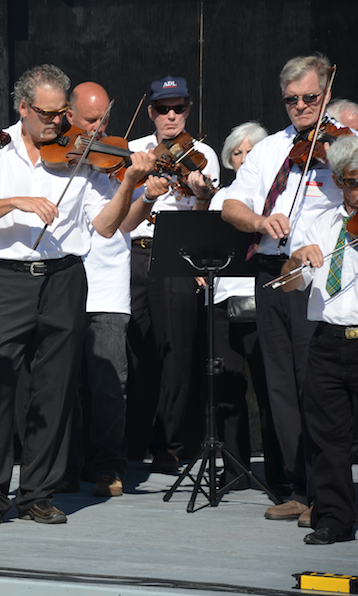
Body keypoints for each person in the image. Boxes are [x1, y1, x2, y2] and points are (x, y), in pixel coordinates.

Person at [0, 65, 154, 528]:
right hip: (9, 278)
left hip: (66, 277)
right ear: (23, 108)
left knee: (55, 389)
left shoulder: (82, 155)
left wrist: (129, 182)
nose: (57, 123)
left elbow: (106, 226)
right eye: (47, 114)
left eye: (61, 113)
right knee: (0, 386)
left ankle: (38, 493)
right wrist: (17, 202)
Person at [222, 54, 347, 524]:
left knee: (314, 386)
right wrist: (258, 220)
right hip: (272, 271)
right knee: (279, 386)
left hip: (320, 279)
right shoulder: (271, 149)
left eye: (309, 98)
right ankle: (295, 486)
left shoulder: (345, 146)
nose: (301, 106)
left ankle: (326, 493)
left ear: (326, 93)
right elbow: (231, 205)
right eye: (292, 100)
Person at [121, 76, 219, 474]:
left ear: (189, 110)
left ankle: (171, 445)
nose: (172, 115)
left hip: (177, 255)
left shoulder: (204, 155)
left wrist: (202, 195)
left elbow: (204, 220)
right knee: (134, 349)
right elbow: (120, 213)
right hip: (134, 253)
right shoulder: (133, 151)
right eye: (164, 108)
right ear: (151, 112)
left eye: (179, 108)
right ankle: (133, 440)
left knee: (176, 351)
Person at [279, 134, 358, 544]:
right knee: (328, 438)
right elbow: (292, 286)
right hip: (328, 341)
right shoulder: (320, 223)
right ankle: (333, 518)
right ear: (340, 181)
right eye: (352, 182)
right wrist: (296, 259)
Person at [61, 81, 134, 498]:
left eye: (105, 119)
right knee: (63, 384)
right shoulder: (57, 158)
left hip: (106, 288)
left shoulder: (118, 162)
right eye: (90, 120)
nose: (98, 128)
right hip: (65, 285)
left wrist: (142, 187)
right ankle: (66, 467)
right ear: (69, 117)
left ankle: (108, 466)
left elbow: (124, 221)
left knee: (109, 386)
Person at [203, 121, 284, 491]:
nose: (245, 157)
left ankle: (281, 472)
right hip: (223, 299)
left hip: (264, 296)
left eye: (253, 151)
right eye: (238, 152)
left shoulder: (278, 196)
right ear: (231, 160)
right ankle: (234, 469)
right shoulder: (222, 198)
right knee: (227, 386)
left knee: (271, 386)